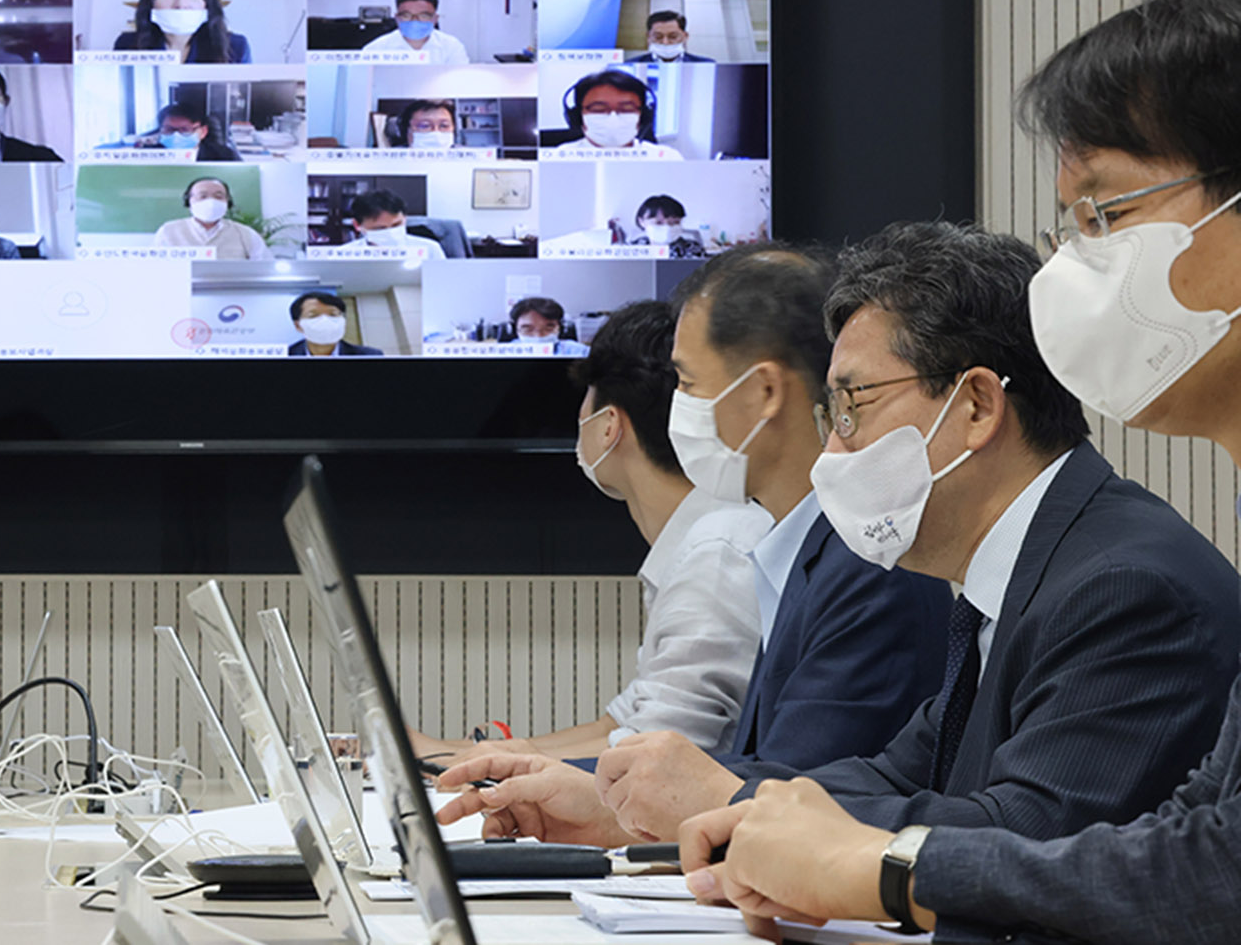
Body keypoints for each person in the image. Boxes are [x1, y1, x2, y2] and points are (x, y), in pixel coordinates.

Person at [674, 0, 1241, 945]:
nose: (1073, 267)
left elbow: (1205, 874)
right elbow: (1194, 828)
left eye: (1105, 215)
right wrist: (766, 817)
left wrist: (885, 867)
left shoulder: (1131, 579)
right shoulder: (1020, 572)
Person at [485, 220, 1241, 850]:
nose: (834, 451)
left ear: (976, 406)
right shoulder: (1015, 573)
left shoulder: (1124, 585)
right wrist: (634, 811)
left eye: (852, 407)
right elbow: (896, 776)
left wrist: (724, 803)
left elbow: (1024, 833)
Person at [437, 245, 953, 837]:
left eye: (686, 381)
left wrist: (611, 807)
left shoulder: (865, 566)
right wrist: (601, 808)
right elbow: (760, 786)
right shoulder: (804, 550)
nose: (674, 405)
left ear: (764, 393)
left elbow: (797, 806)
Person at [412, 301, 771, 763]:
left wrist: (478, 764)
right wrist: (461, 754)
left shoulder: (716, 553)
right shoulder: (698, 540)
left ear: (608, 427)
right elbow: (619, 726)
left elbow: (650, 756)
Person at [114, 0, 251, 64]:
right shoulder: (127, 44)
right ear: (151, 3)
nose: (180, 4)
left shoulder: (236, 47)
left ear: (207, 5)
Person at [558, 70, 683, 157]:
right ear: (577, 116)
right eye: (599, 110)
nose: (613, 118)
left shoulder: (666, 156)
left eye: (627, 109)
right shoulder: (560, 156)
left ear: (643, 115)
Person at [151, 176, 270, 259]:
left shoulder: (245, 233)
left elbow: (265, 266)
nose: (211, 201)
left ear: (228, 202)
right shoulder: (168, 230)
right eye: (202, 196)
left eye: (219, 196)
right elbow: (156, 267)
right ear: (188, 202)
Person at [330, 190, 446, 260]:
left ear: (405, 218)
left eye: (396, 225)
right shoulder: (342, 255)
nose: (391, 232)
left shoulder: (430, 248)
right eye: (380, 228)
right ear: (357, 225)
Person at [361, 0, 470, 64]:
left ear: (435, 19)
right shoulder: (376, 49)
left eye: (423, 16)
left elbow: (461, 82)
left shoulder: (451, 46)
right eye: (406, 15)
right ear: (397, 18)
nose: (414, 20)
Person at [286, 292, 383, 357]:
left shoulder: (369, 356)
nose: (325, 321)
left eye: (333, 314)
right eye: (313, 315)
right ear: (298, 326)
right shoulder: (284, 356)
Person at [142, 103, 241, 161]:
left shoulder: (224, 156)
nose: (176, 135)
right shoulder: (147, 155)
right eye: (169, 129)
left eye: (185, 129)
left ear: (203, 131)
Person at [616, 194, 706, 256]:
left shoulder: (692, 249)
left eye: (674, 223)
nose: (667, 227)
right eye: (658, 223)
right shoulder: (632, 250)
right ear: (641, 221)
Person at [508, 297, 589, 357]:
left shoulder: (581, 352)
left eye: (548, 328)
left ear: (560, 328)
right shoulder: (504, 353)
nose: (538, 336)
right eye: (528, 329)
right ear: (515, 329)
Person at [632, 11, 714, 63]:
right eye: (658, 37)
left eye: (673, 37)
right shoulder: (632, 64)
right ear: (648, 37)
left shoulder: (706, 64)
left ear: (685, 36)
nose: (665, 42)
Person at [391, 99, 458, 149]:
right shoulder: (388, 161)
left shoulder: (466, 161)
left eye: (444, 125)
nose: (435, 132)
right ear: (406, 130)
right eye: (424, 126)